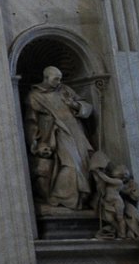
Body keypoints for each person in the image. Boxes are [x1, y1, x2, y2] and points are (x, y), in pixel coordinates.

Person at [27, 66, 94, 212]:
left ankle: (82, 198)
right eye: (56, 78)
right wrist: (36, 142)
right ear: (46, 77)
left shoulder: (65, 90)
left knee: (84, 163)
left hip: (76, 131)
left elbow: (87, 107)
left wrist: (75, 105)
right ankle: (61, 197)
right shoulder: (35, 96)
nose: (59, 81)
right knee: (71, 164)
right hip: (56, 133)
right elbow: (31, 122)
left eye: (60, 78)